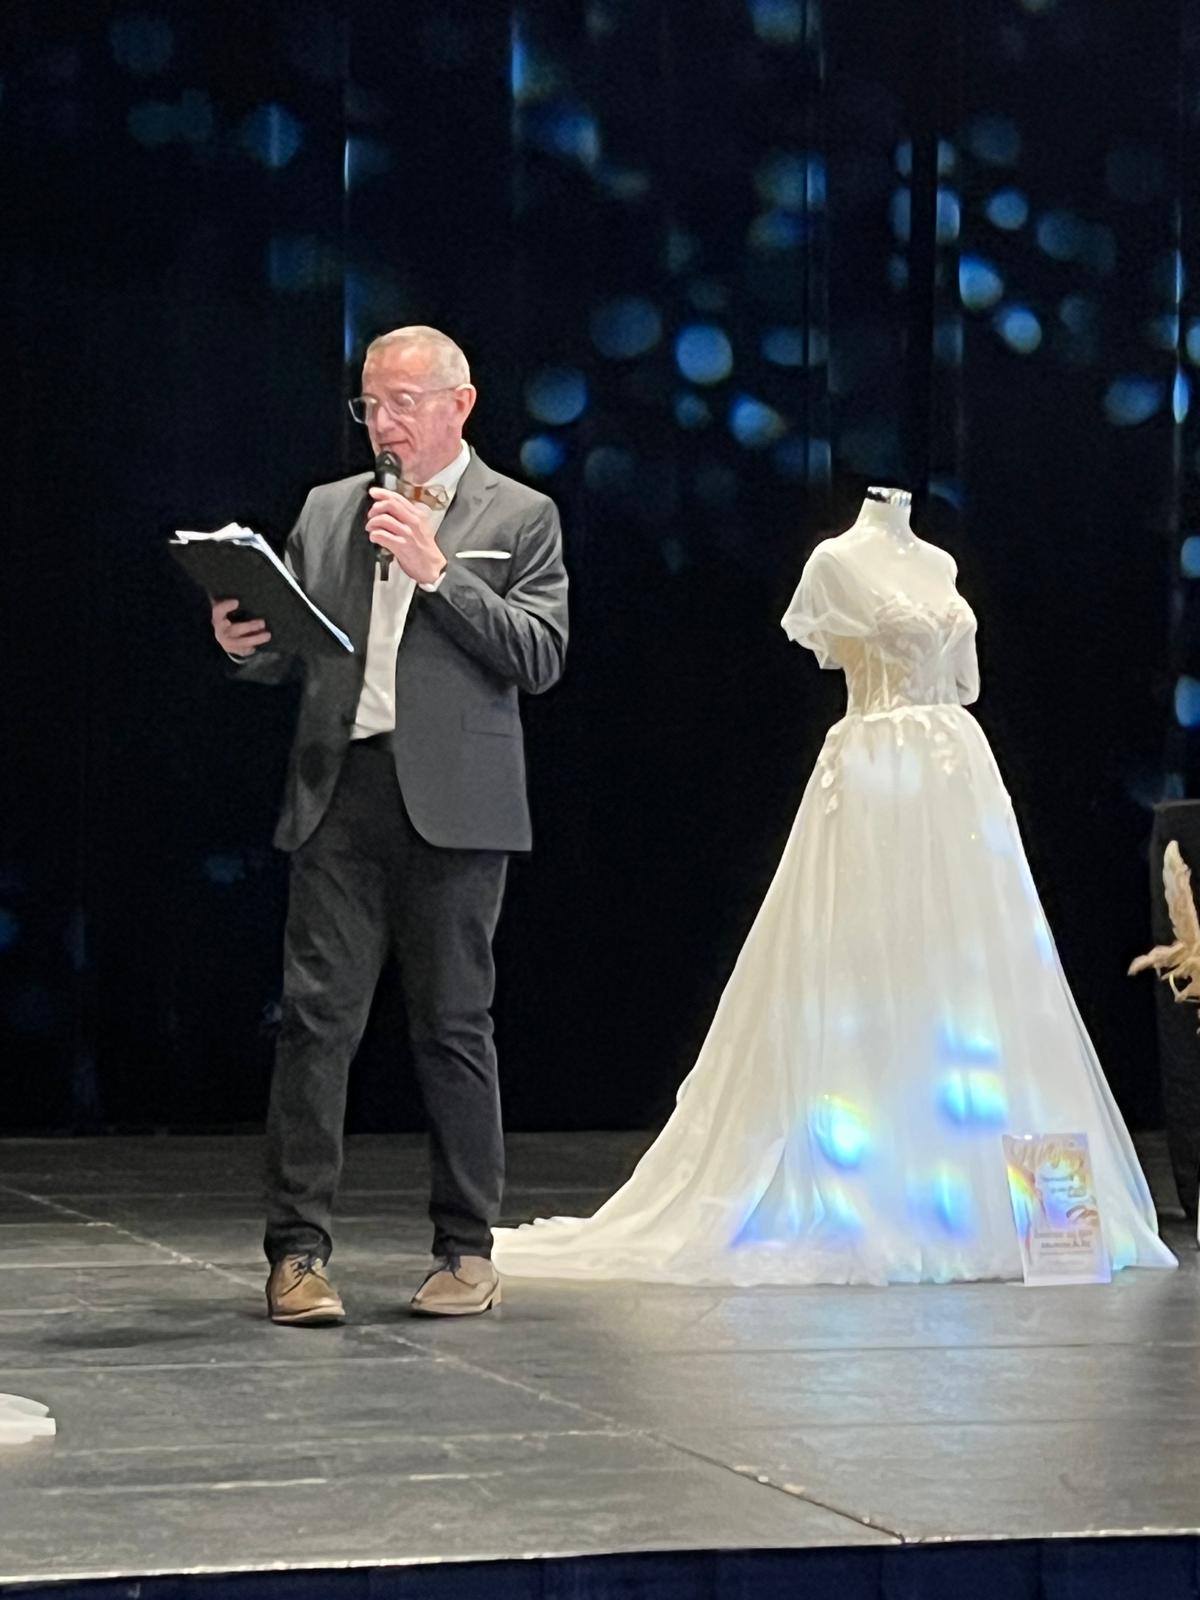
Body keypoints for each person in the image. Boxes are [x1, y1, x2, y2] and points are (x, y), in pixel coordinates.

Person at [492, 488, 1175, 1286]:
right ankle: (876, 1188)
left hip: (956, 776)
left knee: (980, 968)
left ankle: (1024, 1209)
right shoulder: (835, 562)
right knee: (866, 961)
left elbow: (963, 683)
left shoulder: (939, 562)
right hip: (876, 770)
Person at [212, 326, 569, 1322]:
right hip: (341, 792)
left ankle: (466, 1249)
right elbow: (288, 647)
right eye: (372, 403)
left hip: (458, 805)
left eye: (405, 401)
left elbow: (540, 655)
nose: (385, 422)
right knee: (315, 1025)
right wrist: (241, 638)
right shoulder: (330, 508)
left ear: (461, 403)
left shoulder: (520, 515)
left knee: (454, 1027)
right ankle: (297, 1254)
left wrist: (438, 568)